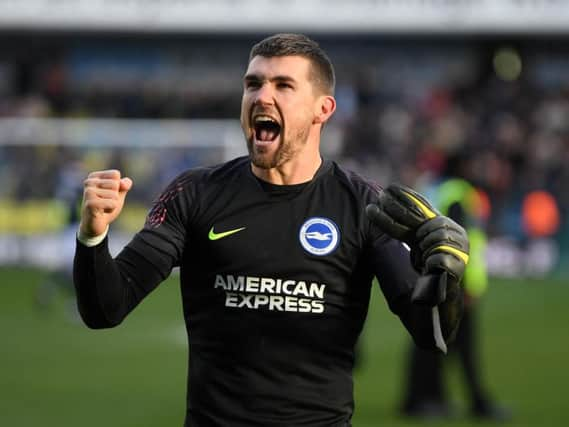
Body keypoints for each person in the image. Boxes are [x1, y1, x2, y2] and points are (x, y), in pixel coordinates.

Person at [73, 33, 469, 427]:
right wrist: (93, 235)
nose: (262, 96)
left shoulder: (364, 205)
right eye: (253, 83)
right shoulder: (193, 193)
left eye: (283, 85)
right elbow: (106, 309)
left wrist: (443, 273)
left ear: (323, 109)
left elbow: (431, 332)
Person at [400, 156, 510, 421]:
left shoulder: (435, 191)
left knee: (431, 341)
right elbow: (457, 242)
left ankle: (423, 400)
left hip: (429, 274)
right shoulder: (461, 194)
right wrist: (462, 284)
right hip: (453, 281)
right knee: (460, 346)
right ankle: (474, 403)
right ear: (463, 167)